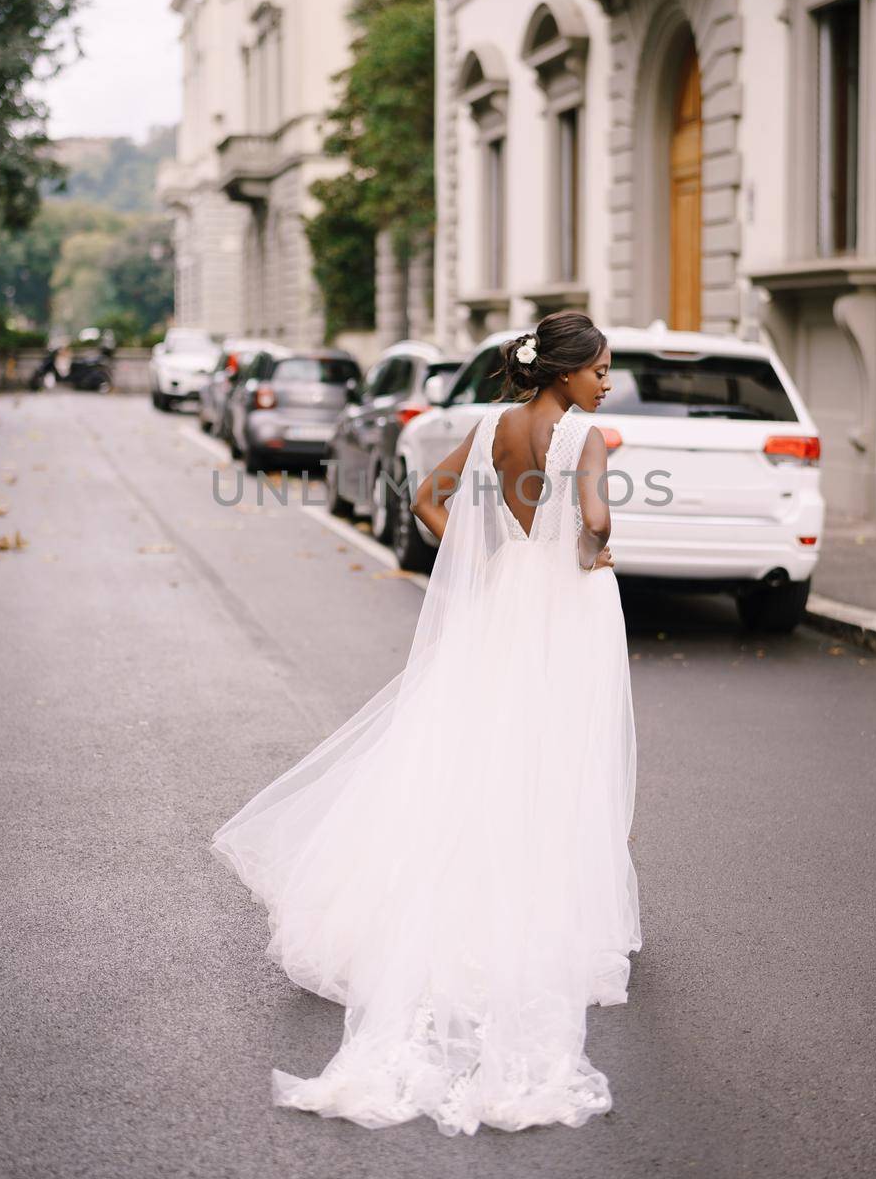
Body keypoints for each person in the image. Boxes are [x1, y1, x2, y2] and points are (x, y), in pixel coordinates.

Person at [210, 310, 642, 1136]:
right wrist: (596, 550)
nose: (604, 382)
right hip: (565, 608)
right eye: (597, 370)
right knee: (555, 752)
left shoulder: (492, 429)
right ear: (562, 373)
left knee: (480, 746)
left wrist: (480, 557)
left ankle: (456, 885)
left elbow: (427, 499)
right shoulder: (584, 438)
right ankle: (539, 899)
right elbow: (593, 522)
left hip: (504, 598)